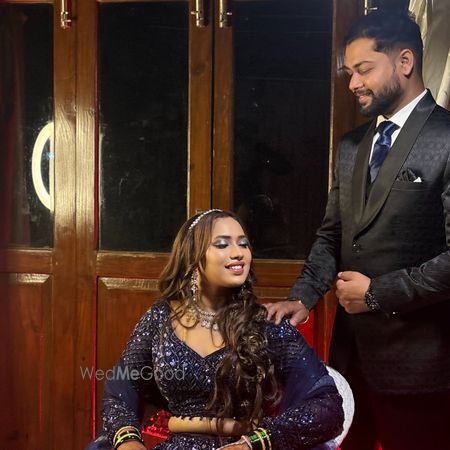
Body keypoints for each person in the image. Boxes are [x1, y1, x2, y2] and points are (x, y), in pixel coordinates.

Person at [265, 9, 450, 450]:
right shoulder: (351, 146)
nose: (353, 83)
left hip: (424, 367)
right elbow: (333, 234)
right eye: (350, 72)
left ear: (405, 62)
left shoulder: (447, 138)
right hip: (349, 363)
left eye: (364, 69)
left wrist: (376, 293)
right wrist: (302, 297)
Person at [86, 209, 344, 450]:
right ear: (193, 256)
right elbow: (121, 386)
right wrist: (128, 439)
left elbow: (328, 407)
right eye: (222, 244)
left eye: (243, 244)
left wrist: (255, 442)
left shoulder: (265, 324)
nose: (238, 253)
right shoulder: (161, 317)